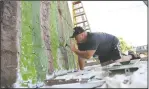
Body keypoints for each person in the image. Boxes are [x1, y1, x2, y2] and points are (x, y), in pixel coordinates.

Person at [70, 26, 140, 70]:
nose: (75, 39)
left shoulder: (93, 38)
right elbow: (81, 56)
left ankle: (131, 55)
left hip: (112, 43)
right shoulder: (80, 43)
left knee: (118, 62)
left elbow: (88, 56)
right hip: (103, 51)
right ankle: (122, 56)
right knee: (106, 67)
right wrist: (82, 71)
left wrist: (74, 50)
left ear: (82, 35)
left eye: (76, 36)